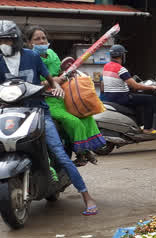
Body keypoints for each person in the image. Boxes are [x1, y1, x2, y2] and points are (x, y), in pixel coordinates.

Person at [0, 20, 98, 217]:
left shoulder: (32, 56)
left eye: (7, 39)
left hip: (37, 110)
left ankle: (87, 196)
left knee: (58, 152)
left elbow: (50, 78)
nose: (3, 43)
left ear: (16, 40)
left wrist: (55, 87)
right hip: (10, 113)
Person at [24, 26, 106, 166]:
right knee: (73, 121)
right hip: (45, 101)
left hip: (62, 97)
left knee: (85, 116)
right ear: (28, 43)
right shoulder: (28, 58)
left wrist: (67, 73)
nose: (42, 41)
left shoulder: (52, 54)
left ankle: (86, 150)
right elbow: (32, 82)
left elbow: (59, 74)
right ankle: (81, 153)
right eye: (37, 39)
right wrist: (55, 81)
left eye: (44, 38)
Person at [101, 44, 156, 134]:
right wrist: (152, 87)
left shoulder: (106, 66)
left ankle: (138, 125)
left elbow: (103, 85)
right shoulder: (121, 69)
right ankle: (148, 128)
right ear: (122, 56)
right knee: (150, 100)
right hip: (121, 98)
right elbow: (135, 86)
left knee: (138, 101)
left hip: (108, 97)